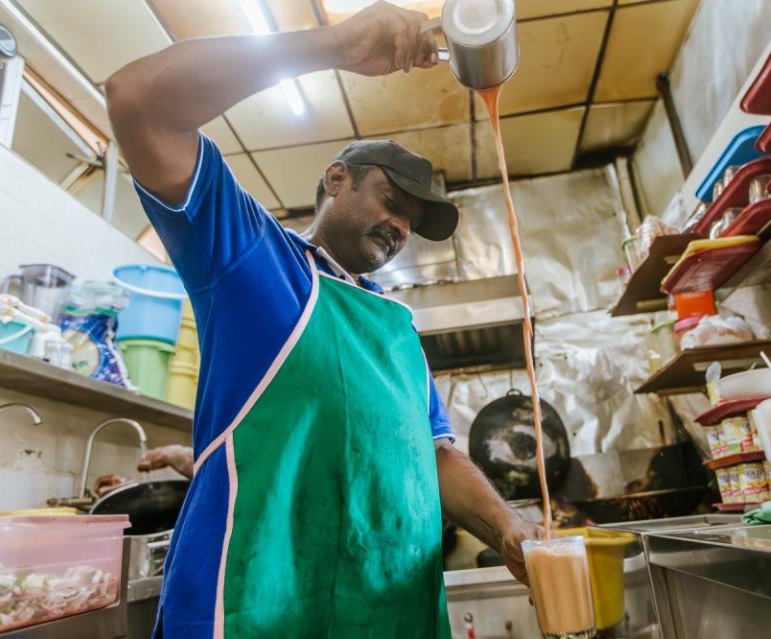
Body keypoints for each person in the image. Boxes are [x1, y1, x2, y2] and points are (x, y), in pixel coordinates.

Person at [106, 2, 541, 637]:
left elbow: (435, 455)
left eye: (411, 225)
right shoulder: (250, 259)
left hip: (392, 618)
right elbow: (138, 97)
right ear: (337, 179)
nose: (398, 228)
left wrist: (509, 528)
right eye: (391, 202)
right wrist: (331, 46)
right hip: (253, 611)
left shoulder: (396, 331)